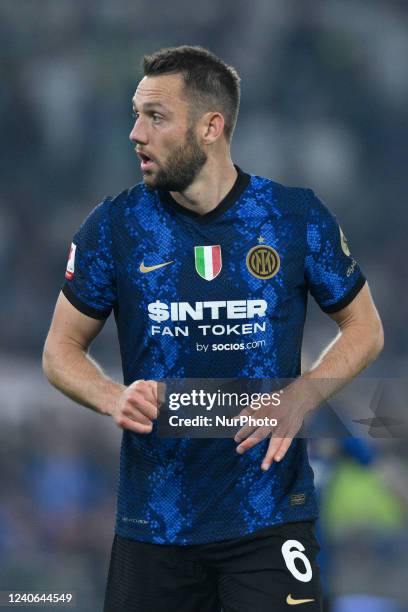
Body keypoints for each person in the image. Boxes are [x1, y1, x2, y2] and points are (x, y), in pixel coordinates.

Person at [42, 45, 384, 612]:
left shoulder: (292, 217)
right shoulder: (116, 226)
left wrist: (301, 396)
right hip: (154, 526)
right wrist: (111, 396)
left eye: (155, 117)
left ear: (210, 127)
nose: (135, 133)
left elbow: (365, 329)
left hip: (270, 517)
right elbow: (60, 350)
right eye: (135, 114)